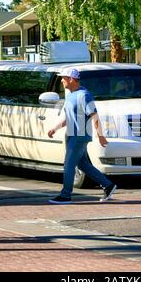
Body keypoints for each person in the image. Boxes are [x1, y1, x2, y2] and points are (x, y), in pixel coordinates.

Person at [47, 68, 117, 204]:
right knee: (82, 164)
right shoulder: (71, 95)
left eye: (63, 78)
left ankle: (66, 195)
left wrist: (101, 135)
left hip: (79, 136)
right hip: (71, 135)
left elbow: (94, 116)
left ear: (71, 79)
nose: (61, 80)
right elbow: (69, 117)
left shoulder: (84, 95)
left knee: (68, 165)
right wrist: (55, 128)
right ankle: (108, 185)